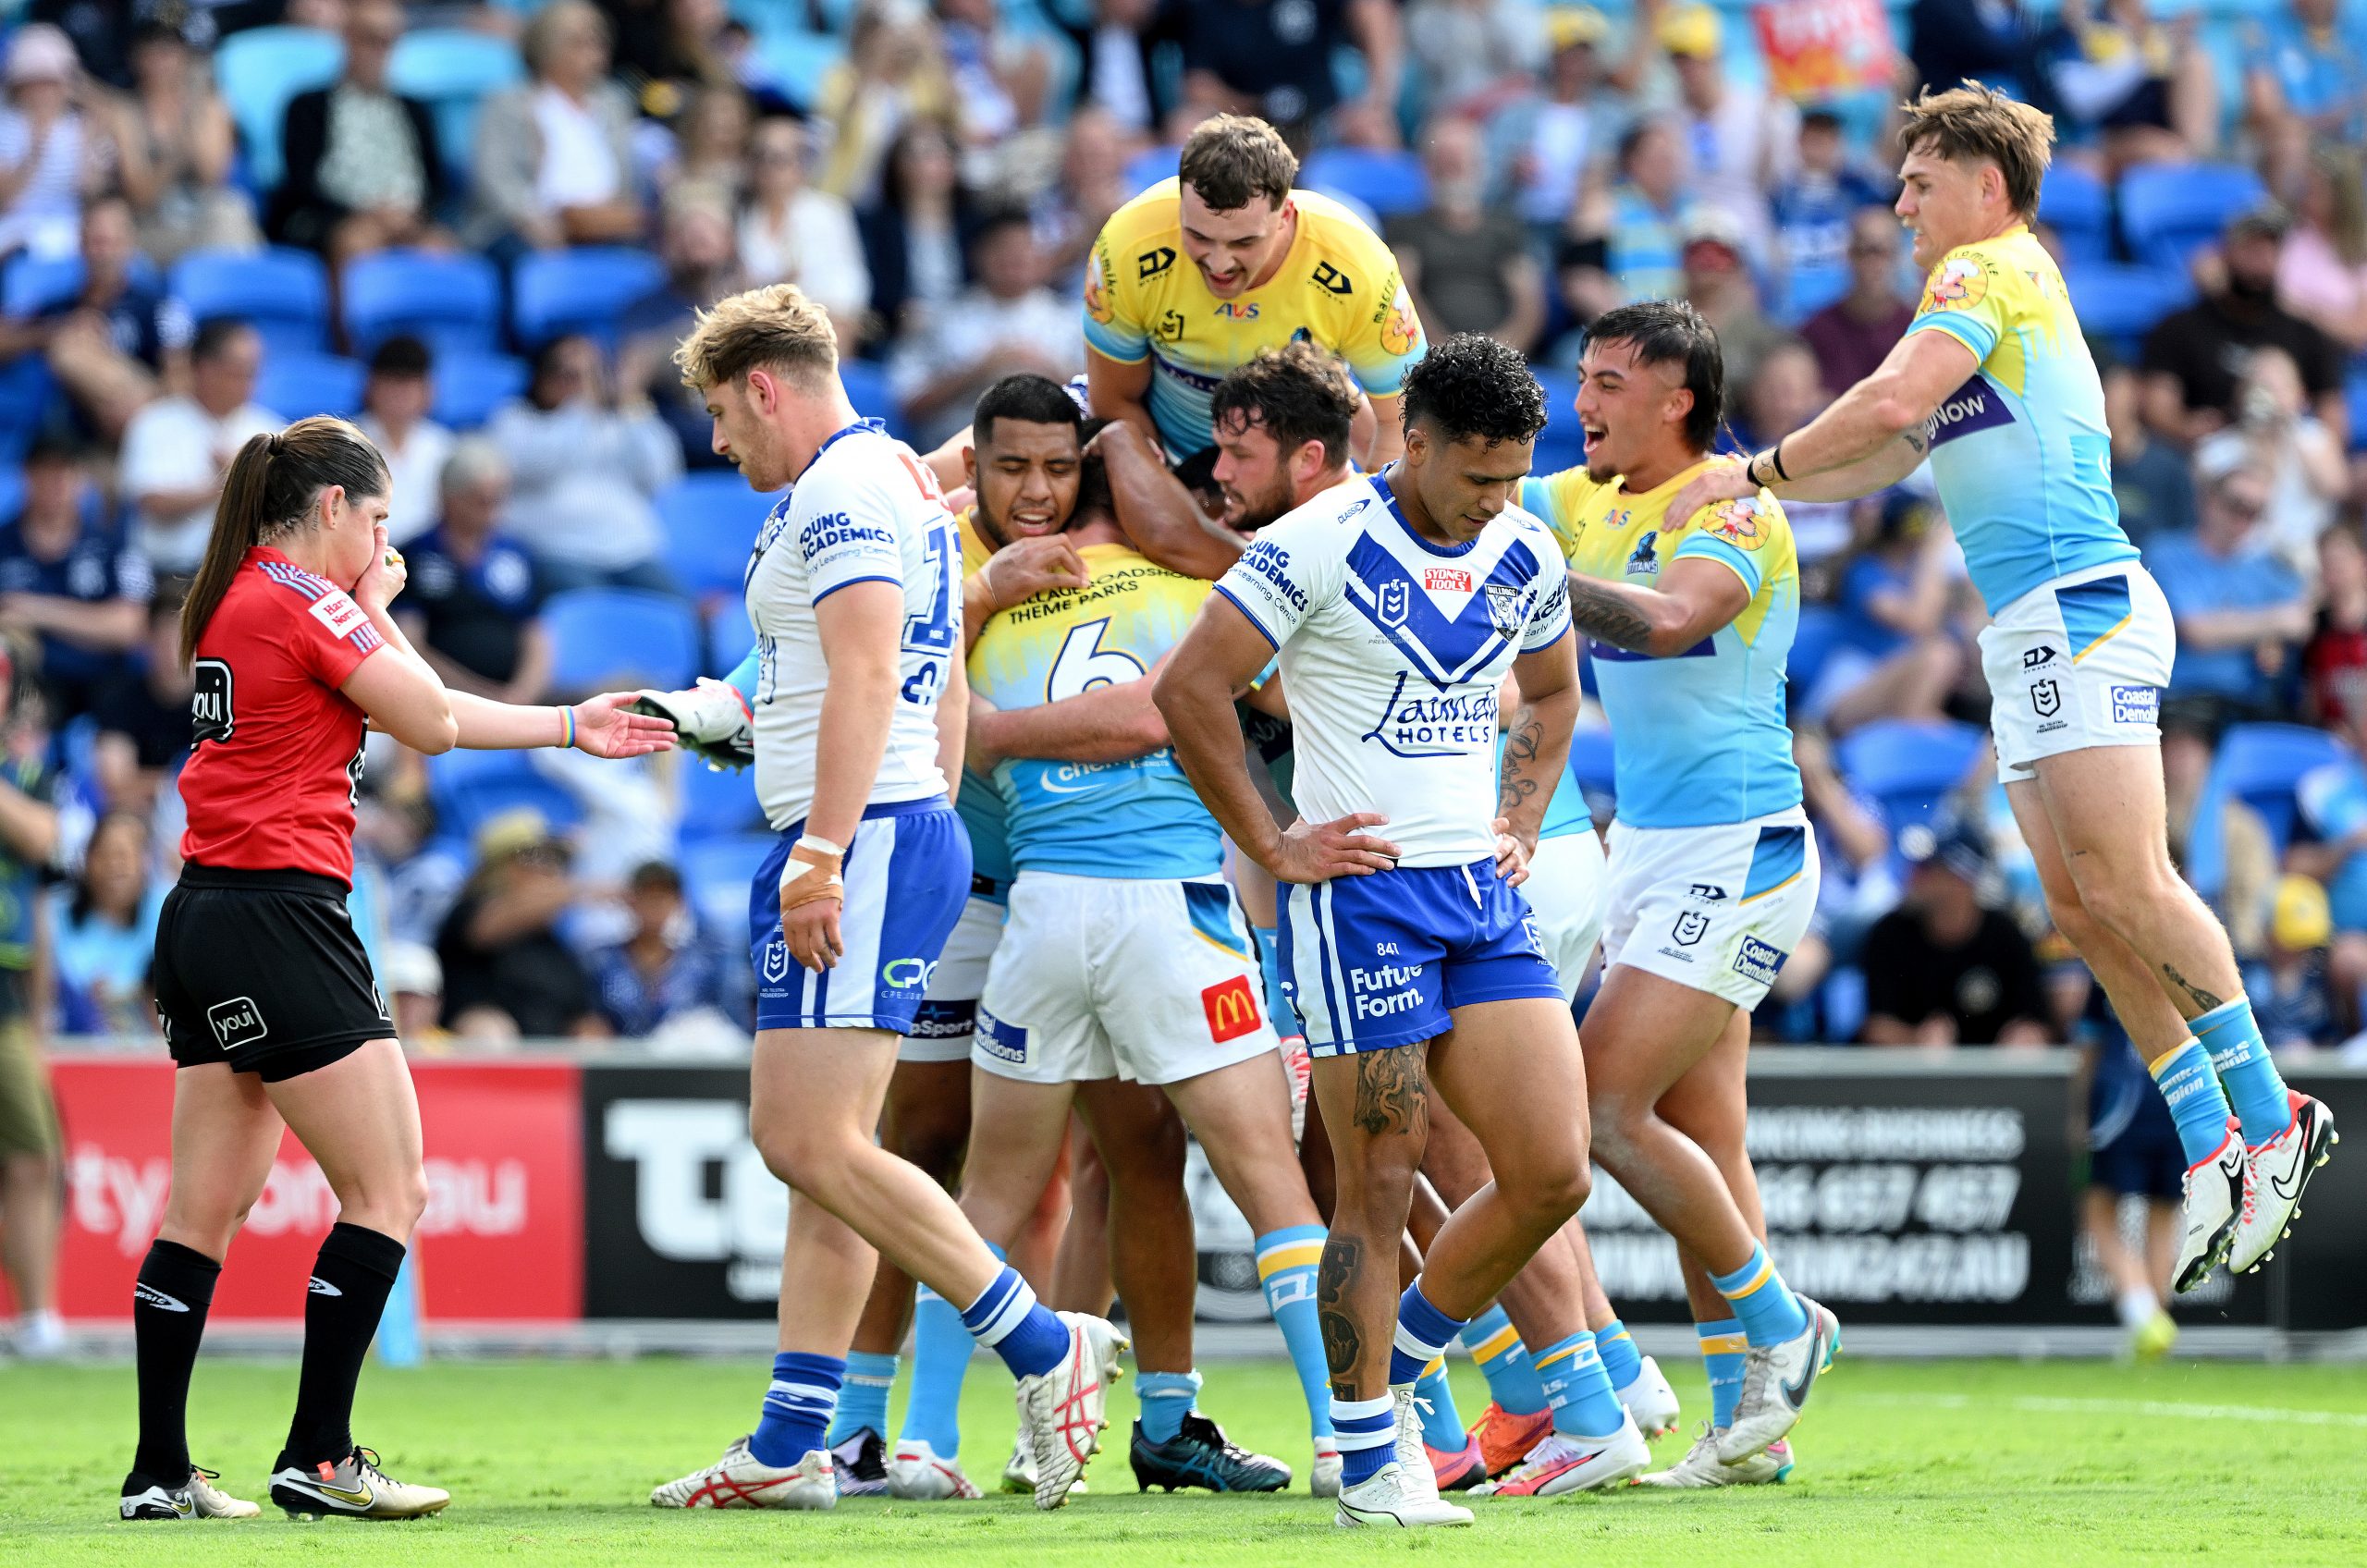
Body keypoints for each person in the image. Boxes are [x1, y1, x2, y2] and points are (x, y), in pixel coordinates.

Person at [1677, 83, 2337, 1296]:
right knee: (2083, 909)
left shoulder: (1986, 273)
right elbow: (1884, 449)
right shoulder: (1988, 302)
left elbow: (1880, 406)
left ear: (1986, 186)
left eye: (1918, 183)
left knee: (2131, 881)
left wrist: (1749, 464)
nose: (1900, 202)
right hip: (2032, 625)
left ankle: (2270, 1110)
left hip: (2078, 605)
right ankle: (2210, 1142)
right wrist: (1758, 492)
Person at [119, 414, 668, 1524]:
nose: (382, 538)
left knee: (203, 1210)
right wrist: (384, 609)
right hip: (282, 912)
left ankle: (160, 1470)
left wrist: (562, 721)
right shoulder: (306, 596)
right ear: (333, 510)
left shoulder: (236, 592)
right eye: (375, 519)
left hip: (204, 913)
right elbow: (427, 720)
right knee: (392, 1188)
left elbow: (420, 712)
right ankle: (318, 1455)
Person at [648, 284, 1124, 1514]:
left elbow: (868, 672)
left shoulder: (847, 491)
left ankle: (1040, 1346)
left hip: (852, 840)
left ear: (766, 385)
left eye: (718, 414)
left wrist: (826, 847)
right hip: (887, 828)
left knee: (804, 1142)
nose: (718, 445)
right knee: (828, 1158)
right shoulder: (899, 484)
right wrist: (921, 797)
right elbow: (938, 673)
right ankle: (791, 1443)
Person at [1153, 334, 1590, 1527]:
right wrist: (1279, 838)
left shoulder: (1524, 550)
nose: (1497, 501)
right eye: (1478, 477)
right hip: (1361, 901)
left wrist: (1521, 815)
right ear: (1417, 442)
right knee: (1379, 1180)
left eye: (1514, 479)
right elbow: (1188, 689)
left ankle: (1386, 1385)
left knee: (1553, 1170)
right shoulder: (1317, 542)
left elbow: (1552, 692)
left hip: (1479, 898)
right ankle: (1369, 1459)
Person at [1522, 300, 1838, 1486]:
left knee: (1599, 1109)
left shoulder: (1736, 512)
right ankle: (1747, 1420)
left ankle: (1778, 1325)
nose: (1583, 402)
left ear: (1679, 402)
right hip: (1643, 849)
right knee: (1701, 1134)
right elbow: (1465, 495)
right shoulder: (1580, 498)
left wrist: (1538, 573)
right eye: (1583, 375)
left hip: (1740, 846)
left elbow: (1666, 622)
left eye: (1608, 381)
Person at [1084, 114, 1427, 470]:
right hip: (1170, 454)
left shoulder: (1356, 264)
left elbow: (1408, 423)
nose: (1219, 264)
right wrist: (1176, 501)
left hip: (1299, 471)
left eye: (1243, 242)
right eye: (1199, 237)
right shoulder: (1129, 243)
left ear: (1285, 216)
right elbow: (1114, 400)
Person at [487, 335, 682, 594]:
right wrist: (580, 410)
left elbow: (663, 474)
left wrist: (633, 405)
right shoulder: (515, 420)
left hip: (629, 550)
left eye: (593, 373)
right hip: (559, 550)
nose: (583, 385)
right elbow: (540, 464)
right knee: (599, 616)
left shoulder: (616, 420)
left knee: (679, 610)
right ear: (542, 376)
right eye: (570, 374)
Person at [2142, 204, 2348, 445]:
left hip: (2286, 452)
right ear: (2225, 253)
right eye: (2251, 248)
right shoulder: (2179, 328)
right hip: (2207, 452)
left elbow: (2332, 416)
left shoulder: (2305, 333)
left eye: (2271, 249)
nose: (2261, 260)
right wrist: (2186, 427)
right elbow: (2158, 407)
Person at [269, 1, 448, 265]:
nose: (379, 52)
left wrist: (410, 216)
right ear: (348, 38)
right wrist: (370, 215)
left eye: (388, 42)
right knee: (358, 243)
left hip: (408, 220)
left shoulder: (415, 109)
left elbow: (436, 183)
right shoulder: (307, 105)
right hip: (337, 218)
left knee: (444, 250)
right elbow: (302, 183)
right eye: (370, 39)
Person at [0, 194, 188, 443]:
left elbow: (180, 377)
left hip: (151, 427)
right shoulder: (61, 306)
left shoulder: (155, 304)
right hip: (80, 443)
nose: (103, 253)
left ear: (130, 245)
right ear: (80, 243)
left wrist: (140, 405)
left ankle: (140, 419)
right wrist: (52, 332)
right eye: (96, 242)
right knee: (69, 347)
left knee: (71, 349)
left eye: (112, 242)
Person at [889, 210, 1081, 452]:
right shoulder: (943, 320)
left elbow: (1099, 400)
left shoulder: (1070, 321)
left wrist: (1046, 371)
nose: (1015, 257)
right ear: (978, 254)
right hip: (958, 454)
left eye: (1026, 247)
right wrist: (978, 371)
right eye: (1003, 247)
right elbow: (909, 405)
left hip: (1051, 452)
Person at [0, 638, 63, 1361]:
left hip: (5, 989)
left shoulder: (28, 771)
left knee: (33, 1157)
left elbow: (45, 840)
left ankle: (39, 1316)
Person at [468, 0, 644, 253]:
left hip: (602, 226)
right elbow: (495, 180)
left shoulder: (614, 103)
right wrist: (536, 220)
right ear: (545, 48)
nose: (593, 53)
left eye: (598, 42)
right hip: (524, 225)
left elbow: (626, 184)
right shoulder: (506, 104)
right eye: (578, 43)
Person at [1860, 815, 2051, 1046]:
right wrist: (1916, 1040)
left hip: (1993, 1077)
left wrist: (2021, 1041)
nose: (1914, 875)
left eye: (1928, 868)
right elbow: (1875, 1028)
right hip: (1913, 1078)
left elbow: (2035, 1023)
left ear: (1962, 879)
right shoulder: (1890, 934)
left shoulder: (2006, 937)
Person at [0, 433, 152, 719]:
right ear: (27, 476)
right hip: (29, 687)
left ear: (82, 480)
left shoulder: (110, 544)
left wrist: (36, 611)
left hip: (103, 684)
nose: (56, 483)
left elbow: (130, 627)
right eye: (46, 471)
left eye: (65, 472)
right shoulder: (3, 545)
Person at [2148, 454, 2310, 720]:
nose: (2244, 518)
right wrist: (2275, 622)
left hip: (2249, 701)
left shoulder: (2266, 569)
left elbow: (2302, 619)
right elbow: (2197, 632)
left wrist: (2264, 635)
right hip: (2184, 694)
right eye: (2237, 504)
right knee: (2188, 740)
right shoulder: (2167, 553)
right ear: (2209, 500)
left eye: (2256, 511)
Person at [2072, 975, 2183, 1358]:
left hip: (2124, 1097)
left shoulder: (2108, 952)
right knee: (2163, 1217)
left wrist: (2078, 1112)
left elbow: (2089, 1043)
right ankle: (2154, 1337)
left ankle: (2143, 1317)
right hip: (2182, 1094)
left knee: (2097, 1211)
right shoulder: (2186, 952)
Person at [394, 440, 550, 704]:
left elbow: (536, 638)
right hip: (442, 700)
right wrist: (482, 696)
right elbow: (409, 646)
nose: (493, 512)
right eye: (482, 501)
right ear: (449, 498)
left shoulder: (517, 553)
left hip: (518, 700)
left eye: (498, 500)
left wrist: (520, 695)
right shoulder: (414, 555)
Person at [118, 319, 279, 574]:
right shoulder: (155, 422)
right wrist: (231, 481)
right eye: (239, 371)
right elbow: (153, 502)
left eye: (253, 372)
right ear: (205, 368)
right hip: (168, 573)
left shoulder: (269, 429)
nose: (249, 383)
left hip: (244, 574)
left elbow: (285, 507)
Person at [1386, 116, 1544, 354]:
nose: (1453, 169)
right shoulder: (1405, 228)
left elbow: (1529, 303)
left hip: (1500, 357)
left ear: (1479, 164)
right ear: (1427, 167)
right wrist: (1445, 351)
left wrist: (1500, 354)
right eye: (1444, 160)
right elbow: (1403, 295)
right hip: (1430, 355)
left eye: (1461, 159)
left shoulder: (1505, 227)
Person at [2190, 346, 2348, 578]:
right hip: (2238, 565)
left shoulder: (2313, 438)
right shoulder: (2216, 450)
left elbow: (2337, 487)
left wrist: (2288, 427)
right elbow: (2203, 514)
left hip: (2310, 563)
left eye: (2277, 388)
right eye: (2259, 387)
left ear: (2299, 394)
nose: (2268, 397)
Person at [109, 22, 255, 265]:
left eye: (168, 51)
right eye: (151, 51)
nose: (160, 61)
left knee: (231, 212)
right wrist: (177, 149)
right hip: (152, 225)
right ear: (136, 57)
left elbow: (212, 176)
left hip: (203, 217)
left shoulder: (210, 105)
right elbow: (140, 196)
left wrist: (194, 110)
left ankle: (230, 295)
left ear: (184, 55)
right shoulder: (126, 113)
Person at [1178, 0, 1403, 145]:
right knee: (1186, 130)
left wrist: (1377, 101)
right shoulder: (1204, 7)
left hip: (1322, 121)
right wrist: (1255, 113)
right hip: (1241, 124)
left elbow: (1372, 10)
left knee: (1376, 136)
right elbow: (1198, 86)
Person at [738, 116, 871, 330]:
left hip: (817, 329)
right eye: (759, 157)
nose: (767, 168)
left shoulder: (829, 213)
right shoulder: (739, 212)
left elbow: (850, 288)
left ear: (800, 164)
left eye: (778, 159)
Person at [588, 859, 740, 1036]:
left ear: (679, 903)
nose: (654, 906)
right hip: (616, 1060)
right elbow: (586, 1020)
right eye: (646, 896)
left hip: (685, 1060)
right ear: (630, 900)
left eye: (662, 897)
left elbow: (729, 1024)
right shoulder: (600, 963)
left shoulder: (703, 965)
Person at [48, 809, 162, 1036]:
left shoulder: (165, 912)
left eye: (124, 856)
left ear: (145, 862)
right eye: (104, 855)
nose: (114, 867)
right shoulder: (55, 915)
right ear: (87, 860)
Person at [0, 24, 107, 261]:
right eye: (35, 83)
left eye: (51, 83)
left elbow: (93, 191)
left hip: (69, 225)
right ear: (19, 86)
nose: (43, 93)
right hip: (13, 225)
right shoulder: (7, 126)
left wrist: (90, 149)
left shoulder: (82, 126)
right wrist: (35, 151)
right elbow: (4, 199)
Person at [1800, 208, 1919, 401]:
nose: (1873, 263)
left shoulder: (1916, 328)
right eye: (1864, 251)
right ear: (1849, 256)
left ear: (1898, 257)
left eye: (1883, 252)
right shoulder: (1817, 332)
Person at [1771, 111, 1893, 295]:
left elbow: (1888, 176)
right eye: (1814, 139)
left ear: (1839, 143)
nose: (1820, 147)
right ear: (1799, 142)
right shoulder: (1780, 194)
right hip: (1792, 298)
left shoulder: (1858, 189)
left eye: (1828, 139)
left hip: (1843, 298)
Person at [353, 337, 454, 547]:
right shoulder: (349, 442)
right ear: (371, 386)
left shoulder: (443, 446)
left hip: (426, 559)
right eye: (392, 382)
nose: (400, 394)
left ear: (428, 390)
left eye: (409, 384)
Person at [2099, 349, 2196, 548]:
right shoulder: (2078, 464)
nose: (2106, 400)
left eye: (2111, 389)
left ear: (2134, 391)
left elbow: (2186, 541)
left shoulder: (2170, 466)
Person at [2276, 144, 2367, 352]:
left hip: (2337, 359)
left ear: (2342, 196)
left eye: (2317, 191)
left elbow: (2360, 330)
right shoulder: (2287, 232)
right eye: (2306, 188)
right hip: (2283, 347)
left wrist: (2303, 313)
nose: (2308, 197)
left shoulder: (2361, 251)